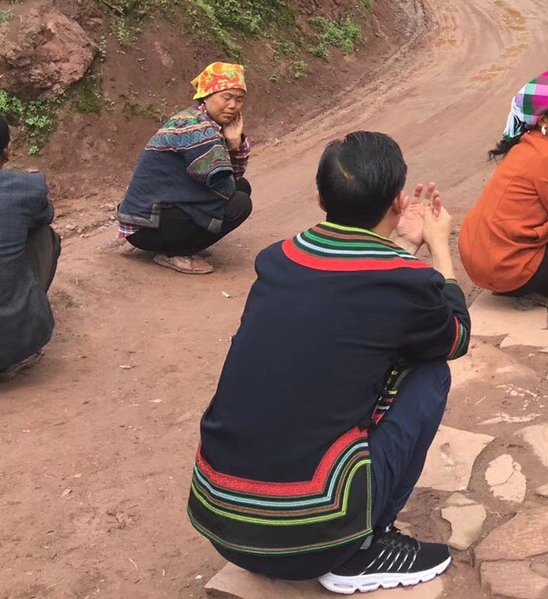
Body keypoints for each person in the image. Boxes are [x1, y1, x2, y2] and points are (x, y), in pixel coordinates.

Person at [187, 131, 466, 594]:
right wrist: (439, 248)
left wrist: (401, 250)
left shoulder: (277, 260)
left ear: (320, 199)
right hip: (310, 536)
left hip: (221, 516)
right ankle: (363, 548)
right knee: (429, 371)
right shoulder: (406, 280)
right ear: (398, 201)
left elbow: (356, 300)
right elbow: (455, 338)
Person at [456, 69, 548, 308]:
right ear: (543, 120)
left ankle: (517, 284)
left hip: (482, 262)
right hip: (505, 268)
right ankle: (536, 289)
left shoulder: (524, 146)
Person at [117, 62, 253, 275]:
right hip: (146, 226)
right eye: (226, 97)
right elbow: (223, 187)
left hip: (154, 215)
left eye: (239, 99)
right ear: (206, 96)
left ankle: (182, 241)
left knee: (241, 187)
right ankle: (177, 252)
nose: (233, 106)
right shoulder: (195, 128)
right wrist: (234, 145)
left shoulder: (202, 120)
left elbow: (232, 178)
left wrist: (234, 144)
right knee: (240, 204)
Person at [0, 106, 60, 381]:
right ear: (6, 152)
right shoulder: (26, 187)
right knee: (43, 233)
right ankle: (20, 320)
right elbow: (45, 216)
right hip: (10, 344)